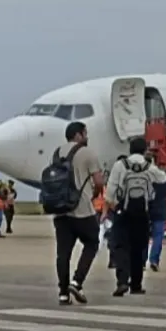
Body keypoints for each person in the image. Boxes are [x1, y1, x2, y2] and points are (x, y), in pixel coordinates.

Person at [42, 121, 104, 306]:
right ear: (78, 135)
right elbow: (99, 181)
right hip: (82, 209)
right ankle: (77, 281)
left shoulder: (57, 153)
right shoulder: (88, 152)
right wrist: (93, 194)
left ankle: (63, 294)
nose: (86, 136)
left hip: (61, 211)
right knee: (92, 243)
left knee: (63, 253)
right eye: (85, 133)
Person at [103, 138, 166, 296]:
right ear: (145, 150)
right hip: (142, 213)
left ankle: (122, 281)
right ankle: (136, 284)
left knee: (121, 246)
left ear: (130, 149)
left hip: (123, 212)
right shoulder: (148, 166)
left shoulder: (120, 165)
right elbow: (163, 178)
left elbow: (110, 191)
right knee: (139, 248)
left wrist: (110, 206)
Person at [145, 151, 166, 272]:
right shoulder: (162, 175)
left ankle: (141, 260)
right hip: (160, 208)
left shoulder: (143, 174)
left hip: (145, 209)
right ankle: (154, 260)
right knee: (158, 236)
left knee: (143, 236)